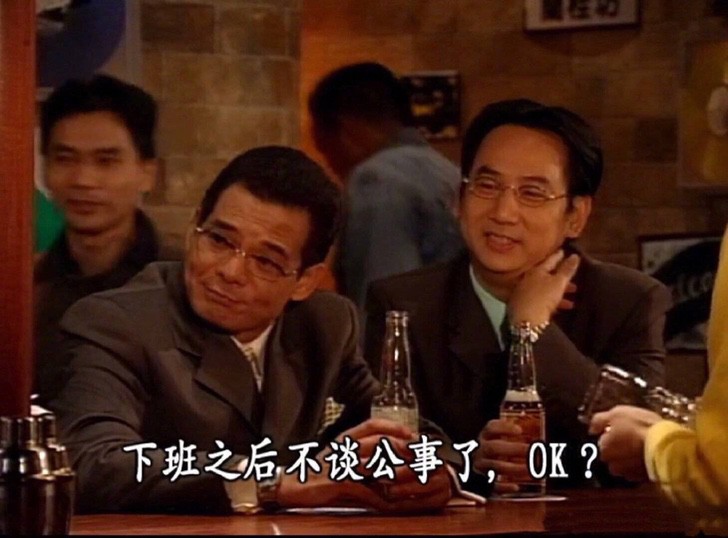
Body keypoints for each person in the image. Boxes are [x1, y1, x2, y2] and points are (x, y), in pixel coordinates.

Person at [49, 146, 452, 514]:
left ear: (305, 281)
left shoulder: (324, 325)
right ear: (194, 227)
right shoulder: (114, 323)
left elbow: (397, 428)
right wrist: (274, 483)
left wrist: (434, 472)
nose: (230, 271)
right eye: (219, 240)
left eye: (266, 261)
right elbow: (91, 461)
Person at [364, 99, 672, 494]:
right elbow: (383, 447)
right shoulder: (403, 305)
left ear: (576, 215)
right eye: (487, 185)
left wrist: (532, 329)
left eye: (532, 193)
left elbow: (638, 451)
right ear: (459, 198)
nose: (503, 212)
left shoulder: (628, 301)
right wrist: (466, 464)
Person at [34, 74, 174, 406]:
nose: (83, 180)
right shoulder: (24, 291)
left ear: (147, 173)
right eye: (65, 159)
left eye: (106, 161)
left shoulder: (183, 284)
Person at [590, 225, 728, 534]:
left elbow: (719, 473)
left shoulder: (632, 296)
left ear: (578, 215)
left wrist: (654, 446)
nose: (505, 214)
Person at [308, 62, 464, 310]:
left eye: (326, 149)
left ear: (346, 130)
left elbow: (384, 299)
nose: (331, 166)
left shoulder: (377, 180)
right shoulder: (447, 171)